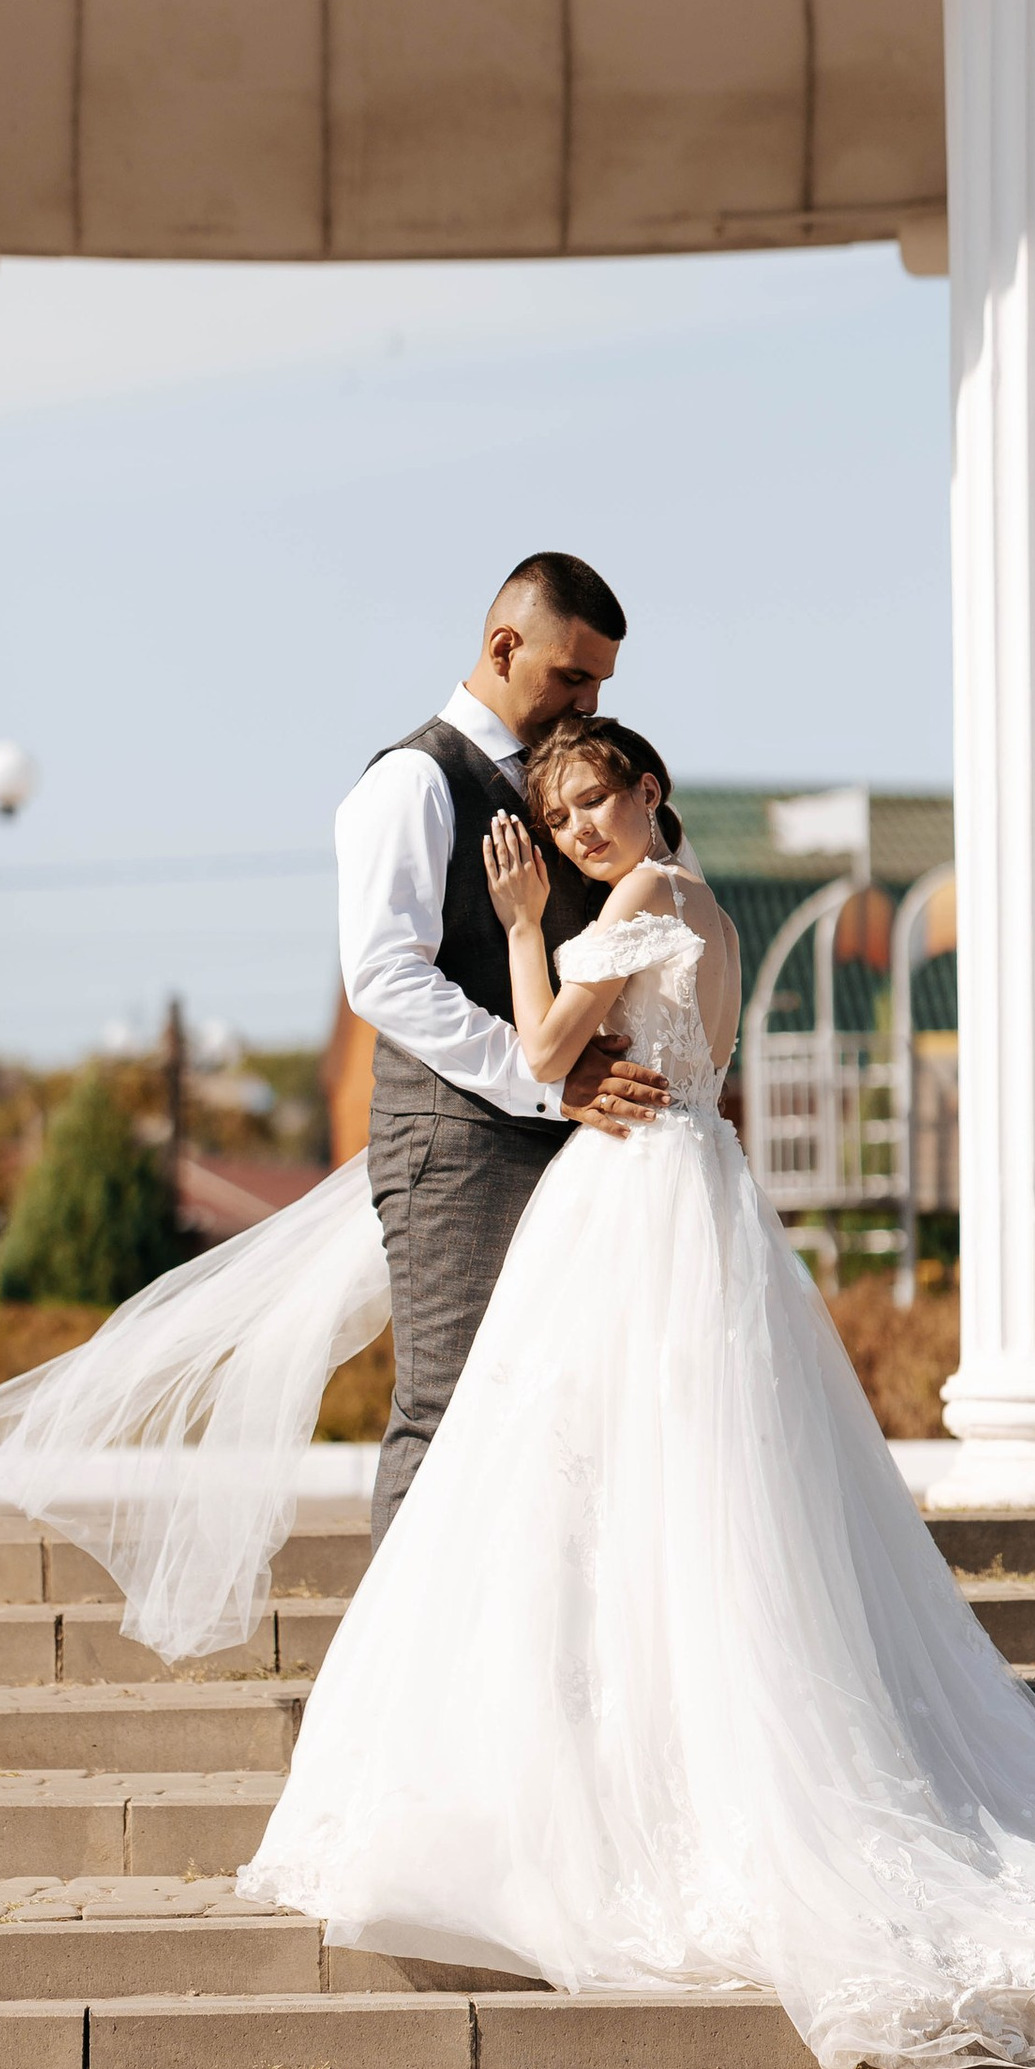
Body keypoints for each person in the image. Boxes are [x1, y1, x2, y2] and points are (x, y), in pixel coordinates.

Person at [0, 707, 1035, 2069]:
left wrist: (522, 930)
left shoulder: (638, 903)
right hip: (688, 1190)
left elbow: (537, 1056)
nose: (576, 823)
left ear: (651, 787)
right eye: (556, 809)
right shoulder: (695, 901)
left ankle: (604, 1804)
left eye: (598, 795)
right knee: (667, 1490)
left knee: (579, 1480)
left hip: (633, 1199)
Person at [332, 551, 670, 1543]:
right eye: (571, 677)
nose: (585, 701)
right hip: (453, 1148)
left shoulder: (569, 782)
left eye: (601, 684)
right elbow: (384, 977)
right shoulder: (411, 781)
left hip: (571, 1150)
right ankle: (388, 1693)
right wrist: (549, 1081)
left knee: (556, 1417)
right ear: (503, 646)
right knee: (447, 1413)